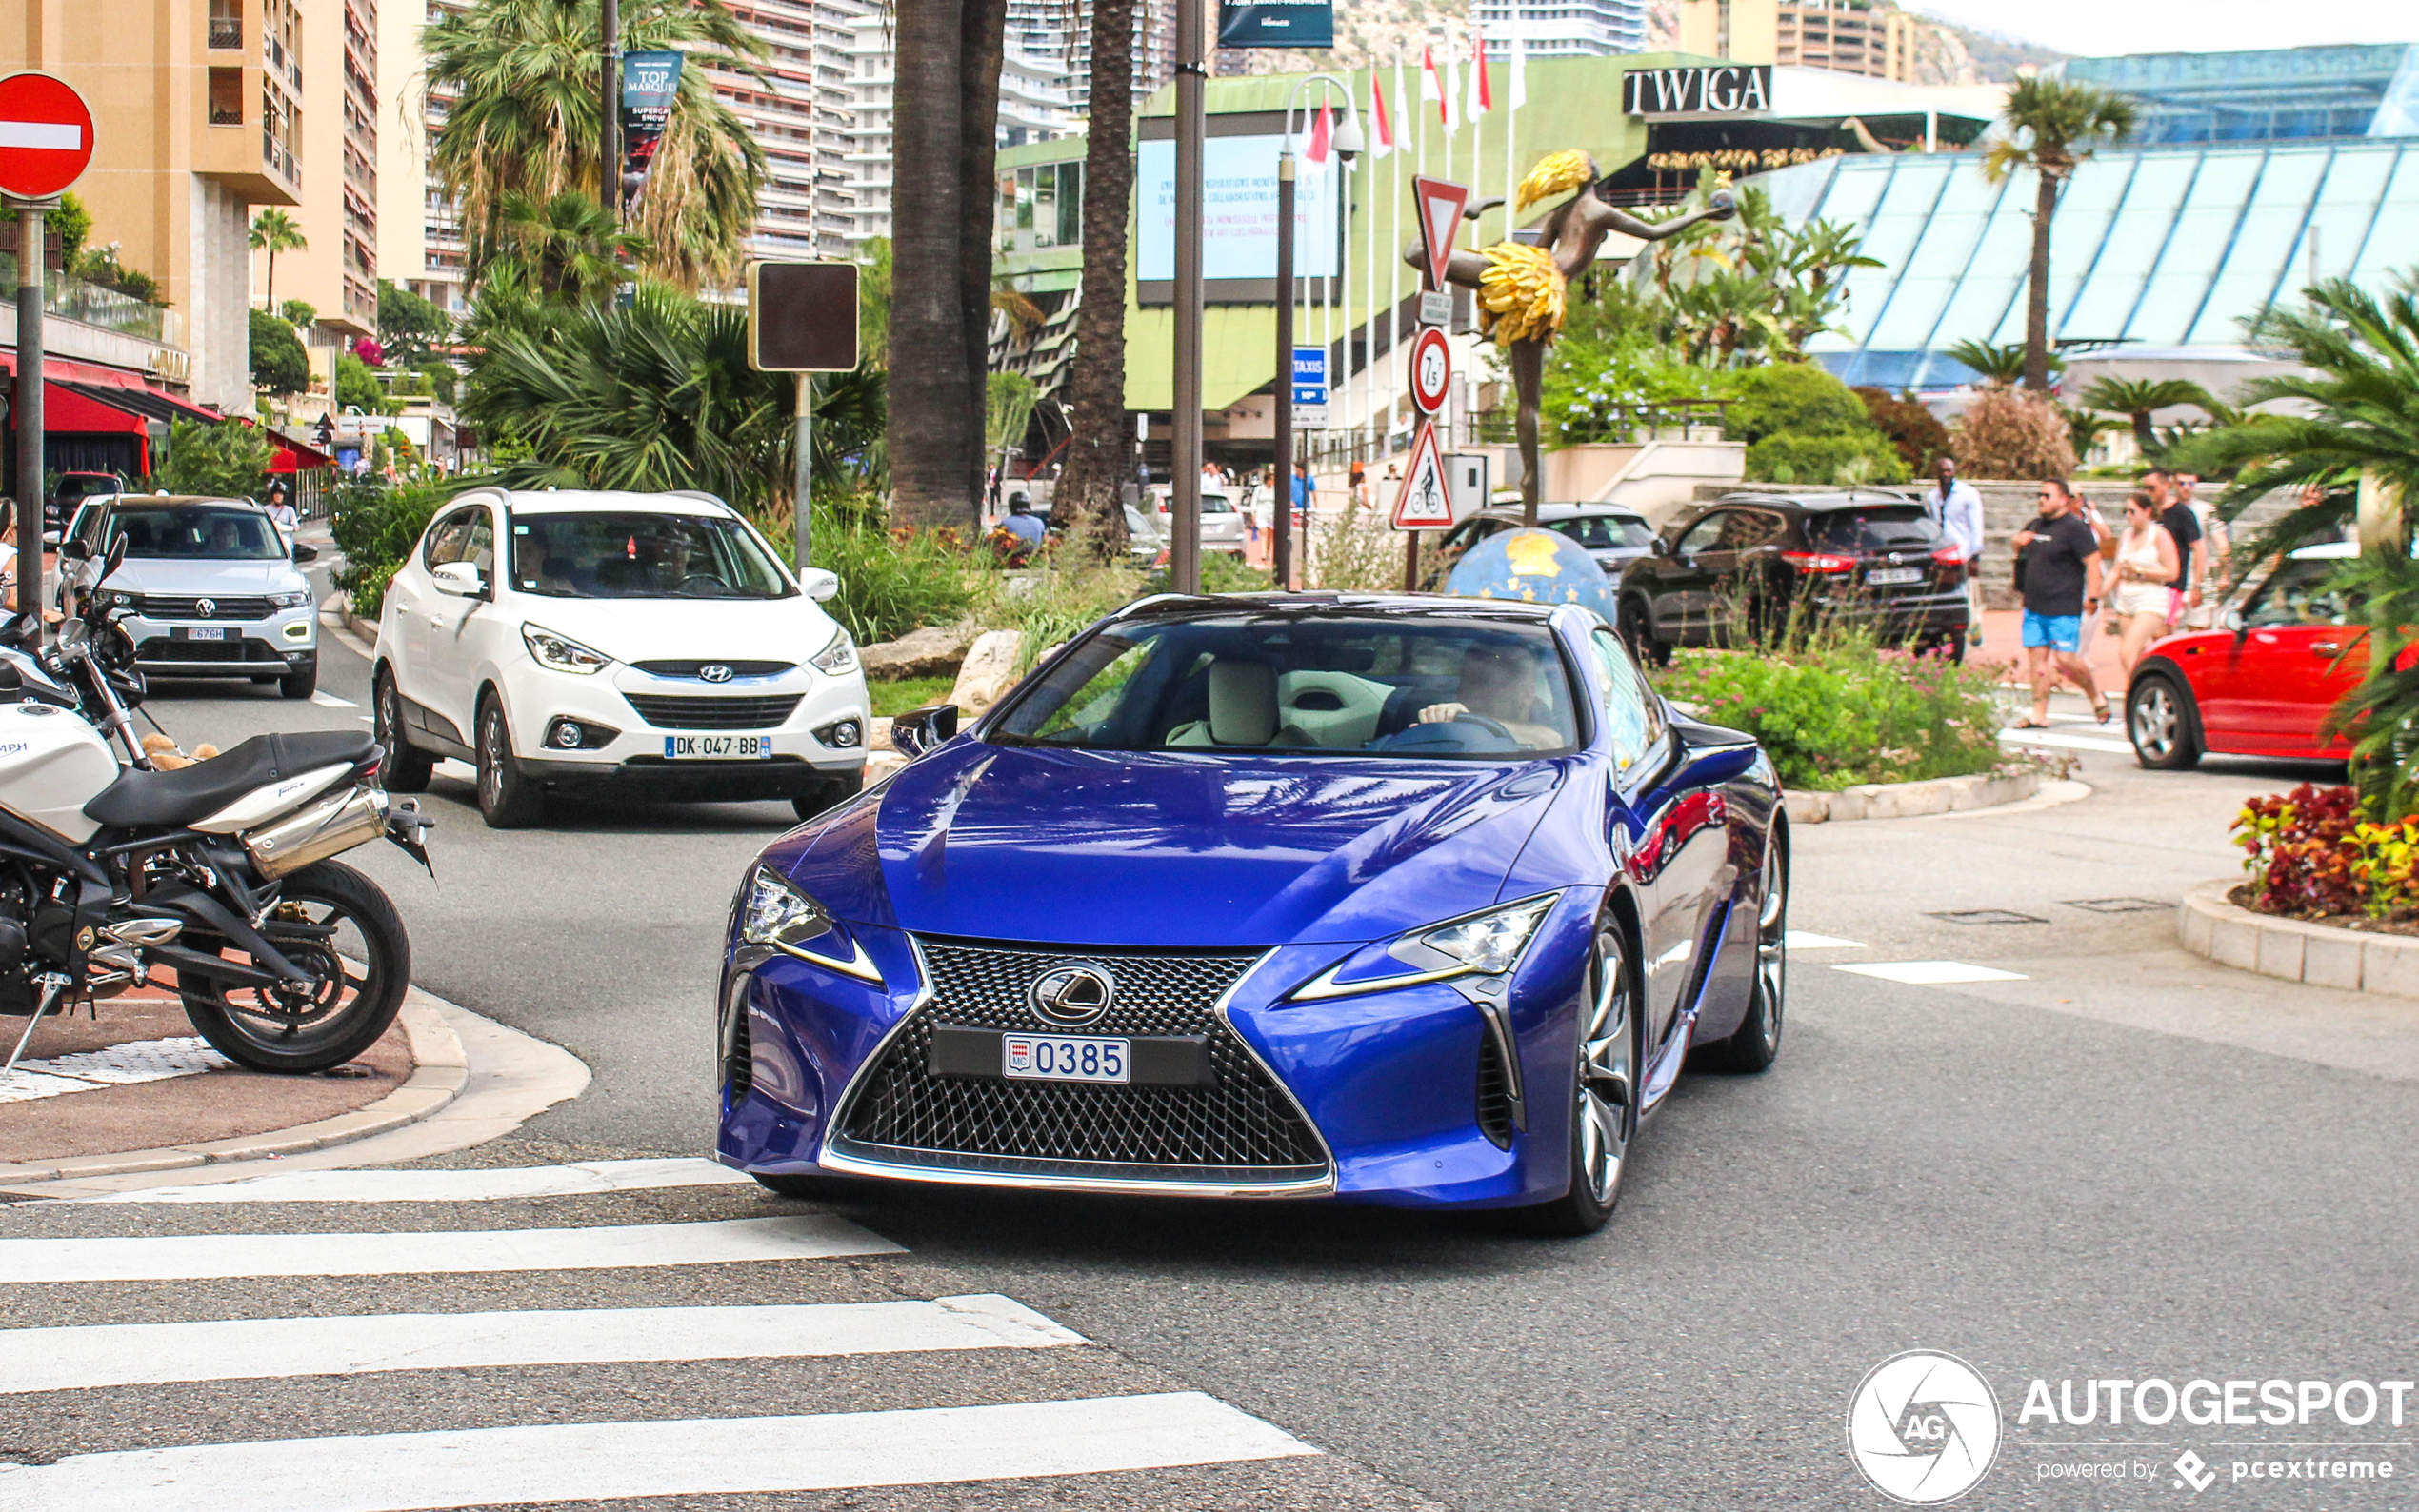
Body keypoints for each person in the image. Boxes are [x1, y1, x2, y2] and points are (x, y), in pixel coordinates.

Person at [2009, 477, 2108, 727]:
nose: (2041, 500)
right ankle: (2038, 714)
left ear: (2063, 500)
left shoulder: (2075, 528)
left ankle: (2095, 696)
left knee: (2066, 660)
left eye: (2047, 496)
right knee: (2037, 661)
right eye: (2039, 496)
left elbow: (2093, 561)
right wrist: (2017, 542)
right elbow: (2018, 544)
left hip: (2063, 606)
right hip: (2034, 605)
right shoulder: (2036, 524)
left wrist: (2093, 596)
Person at [1416, 641, 1562, 749]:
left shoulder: (1557, 729)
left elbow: (1553, 743)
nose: (1466, 691)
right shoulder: (1444, 722)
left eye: (1485, 682)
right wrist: (1438, 726)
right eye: (1466, 679)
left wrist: (1475, 724)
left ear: (1526, 694)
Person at [2105, 490, 2181, 681]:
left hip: (2149, 597)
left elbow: (2172, 572)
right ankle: (2141, 691)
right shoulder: (2125, 535)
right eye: (2126, 512)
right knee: (2132, 655)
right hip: (2126, 598)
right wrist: (2096, 595)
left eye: (2132, 511)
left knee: (2127, 651)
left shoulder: (2159, 535)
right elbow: (2115, 570)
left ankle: (2141, 692)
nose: (2128, 516)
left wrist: (2140, 571)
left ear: (2147, 511)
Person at [1920, 456, 1987, 649]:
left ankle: (1973, 632)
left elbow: (1976, 525)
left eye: (1949, 471)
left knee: (1967, 593)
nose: (1946, 475)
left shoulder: (1967, 494)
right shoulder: (1933, 497)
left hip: (1963, 551)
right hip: (1943, 553)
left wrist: (1975, 556)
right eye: (1943, 471)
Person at [2146, 467, 2204, 627]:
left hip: (2172, 584)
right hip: (2150, 582)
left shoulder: (2182, 514)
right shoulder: (2148, 513)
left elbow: (2199, 549)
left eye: (2152, 488)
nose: (2149, 493)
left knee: (2161, 632)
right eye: (2146, 488)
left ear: (2166, 486)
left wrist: (2197, 585)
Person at [2177, 470, 2229, 621]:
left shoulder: (2206, 511)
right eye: (2181, 483)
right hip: (2174, 578)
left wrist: (2224, 575)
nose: (2186, 488)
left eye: (2191, 483)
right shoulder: (2167, 511)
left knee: (2198, 628)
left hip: (2199, 577)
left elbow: (2222, 544)